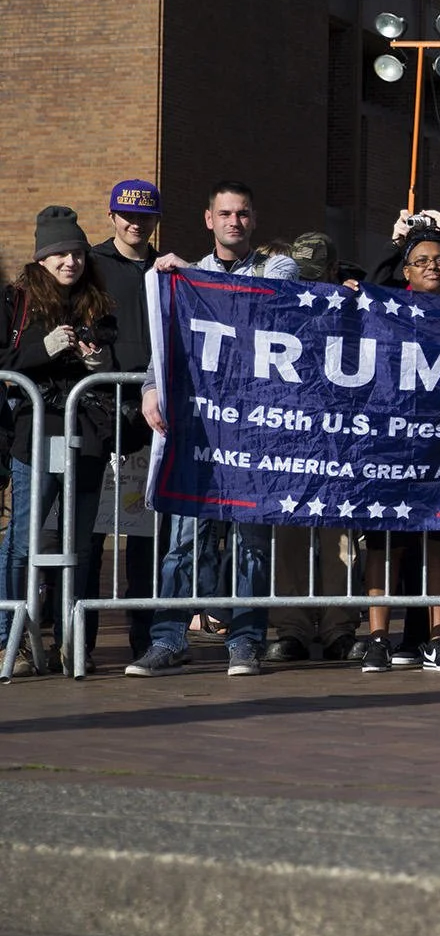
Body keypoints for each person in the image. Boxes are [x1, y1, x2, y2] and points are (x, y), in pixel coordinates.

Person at [126, 182, 298, 678]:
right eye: (224, 214)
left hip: (256, 434)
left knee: (251, 541)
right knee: (184, 541)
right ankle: (169, 639)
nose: (234, 222)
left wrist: (192, 281)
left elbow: (269, 294)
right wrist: (150, 388)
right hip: (200, 432)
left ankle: (245, 642)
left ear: (254, 219)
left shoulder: (273, 269)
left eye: (242, 214)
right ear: (208, 219)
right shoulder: (189, 276)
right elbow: (167, 342)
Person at [0, 209, 119, 675]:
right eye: (60, 254)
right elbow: (7, 360)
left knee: (82, 542)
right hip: (35, 431)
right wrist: (43, 349)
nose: (70, 261)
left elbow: (115, 355)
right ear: (42, 257)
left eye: (76, 253)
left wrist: (96, 365)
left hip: (86, 434)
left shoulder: (97, 302)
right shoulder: (17, 300)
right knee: (23, 540)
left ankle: (74, 642)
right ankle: (12, 640)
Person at [357, 230, 440, 674]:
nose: (432, 266)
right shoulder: (382, 309)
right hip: (388, 443)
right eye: (422, 259)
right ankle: (376, 640)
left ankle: (439, 639)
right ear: (405, 271)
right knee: (386, 544)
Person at [265, 232, 362, 665]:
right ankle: (292, 628)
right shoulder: (277, 304)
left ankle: (340, 627)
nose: (308, 285)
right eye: (301, 276)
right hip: (289, 437)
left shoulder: (352, 307)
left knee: (339, 537)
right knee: (289, 535)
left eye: (315, 277)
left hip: (338, 439)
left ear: (332, 273)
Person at [87, 179, 163, 660]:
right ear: (111, 215)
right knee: (90, 540)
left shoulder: (167, 268)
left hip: (151, 412)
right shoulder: (89, 264)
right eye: (127, 215)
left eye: (145, 216)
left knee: (145, 541)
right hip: (97, 410)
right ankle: (82, 645)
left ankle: (145, 641)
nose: (136, 223)